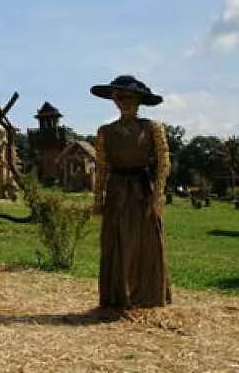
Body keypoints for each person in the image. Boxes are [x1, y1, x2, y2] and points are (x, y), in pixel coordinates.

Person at [91, 75, 171, 309]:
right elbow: (102, 167)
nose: (123, 102)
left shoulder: (152, 128)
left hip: (141, 189)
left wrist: (157, 195)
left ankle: (147, 296)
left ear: (139, 100)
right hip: (116, 190)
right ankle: (117, 296)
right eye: (118, 97)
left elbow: (164, 162)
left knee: (145, 241)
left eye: (128, 97)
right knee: (116, 241)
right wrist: (98, 199)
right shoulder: (105, 131)